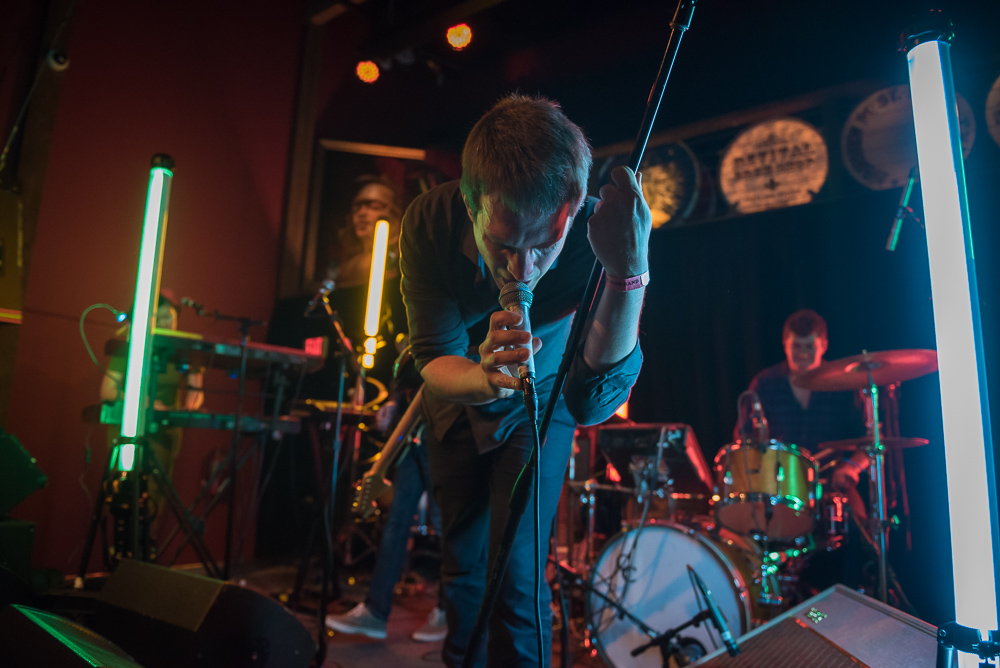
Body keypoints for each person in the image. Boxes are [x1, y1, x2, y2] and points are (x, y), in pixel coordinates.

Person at [398, 94, 649, 667]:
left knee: (515, 576)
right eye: (505, 245)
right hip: (456, 402)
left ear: (575, 208)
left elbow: (594, 402)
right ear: (470, 204)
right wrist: (485, 378)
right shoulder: (429, 222)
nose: (523, 271)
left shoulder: (597, 235)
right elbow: (434, 355)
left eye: (545, 247)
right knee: (460, 565)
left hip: (544, 403)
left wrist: (629, 272)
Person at [100, 291, 203, 530]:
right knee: (125, 493)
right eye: (160, 316)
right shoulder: (130, 344)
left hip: (164, 432)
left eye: (171, 316)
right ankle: (126, 557)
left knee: (156, 497)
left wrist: (190, 406)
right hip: (130, 427)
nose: (167, 322)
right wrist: (143, 402)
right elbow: (107, 390)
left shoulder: (183, 348)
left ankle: (146, 558)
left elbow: (196, 390)